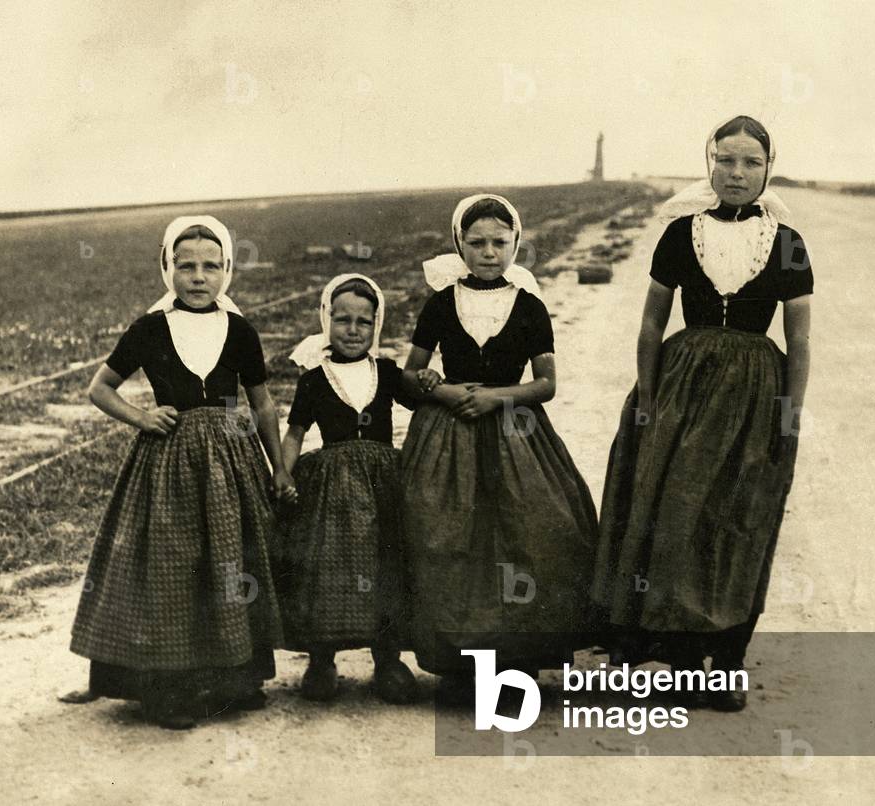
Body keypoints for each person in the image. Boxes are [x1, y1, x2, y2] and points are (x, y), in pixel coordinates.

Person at [591, 116, 813, 711]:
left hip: (754, 393)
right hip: (681, 387)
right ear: (709, 164)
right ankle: (682, 656)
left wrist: (790, 413)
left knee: (740, 518)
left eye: (751, 163)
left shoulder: (788, 244)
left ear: (768, 169)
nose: (737, 174)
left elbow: (800, 339)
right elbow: (651, 324)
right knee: (673, 515)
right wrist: (647, 398)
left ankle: (727, 659)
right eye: (725, 161)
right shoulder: (679, 234)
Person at [62, 216, 294, 729]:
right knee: (172, 565)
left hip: (232, 461)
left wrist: (278, 467)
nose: (198, 277)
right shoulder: (150, 328)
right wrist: (143, 417)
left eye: (211, 266)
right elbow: (100, 388)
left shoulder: (239, 329)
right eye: (186, 266)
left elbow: (262, 404)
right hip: (169, 466)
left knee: (233, 562)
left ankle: (236, 677)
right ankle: (168, 688)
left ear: (227, 269)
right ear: (167, 267)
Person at [401, 194, 598, 700]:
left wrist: (495, 398)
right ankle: (461, 661)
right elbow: (410, 375)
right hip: (450, 434)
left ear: (515, 244)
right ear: (459, 245)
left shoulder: (529, 305)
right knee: (450, 537)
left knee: (530, 533)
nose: (488, 252)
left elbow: (546, 384)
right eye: (477, 243)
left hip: (517, 433)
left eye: (499, 242)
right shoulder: (440, 303)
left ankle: (518, 659)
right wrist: (442, 390)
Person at [278, 273, 419, 704]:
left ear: (377, 325)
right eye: (342, 320)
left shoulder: (387, 372)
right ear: (327, 321)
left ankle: (388, 660)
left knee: (386, 566)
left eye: (364, 321)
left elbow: (423, 406)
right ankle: (322, 660)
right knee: (328, 569)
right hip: (331, 487)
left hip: (383, 483)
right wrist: (283, 474)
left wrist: (428, 380)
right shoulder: (313, 379)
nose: (353, 330)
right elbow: (295, 433)